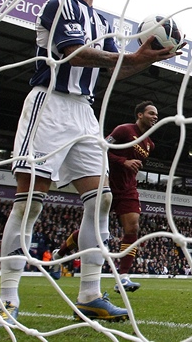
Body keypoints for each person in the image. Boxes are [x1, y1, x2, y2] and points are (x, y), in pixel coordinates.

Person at [0, 0, 181, 327]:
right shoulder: (61, 3)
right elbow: (73, 53)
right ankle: (7, 300)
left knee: (102, 200)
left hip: (84, 111)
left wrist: (145, 58)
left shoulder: (100, 19)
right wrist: (133, 58)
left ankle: (90, 296)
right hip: (49, 103)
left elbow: (113, 71)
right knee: (30, 202)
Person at [50, 101, 158, 294]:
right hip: (105, 183)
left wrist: (129, 166)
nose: (155, 117)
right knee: (93, 229)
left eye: (156, 115)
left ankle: (123, 277)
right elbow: (101, 150)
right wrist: (123, 161)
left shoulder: (150, 144)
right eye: (151, 113)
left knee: (133, 226)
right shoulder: (124, 131)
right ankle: (59, 254)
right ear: (140, 115)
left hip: (128, 189)